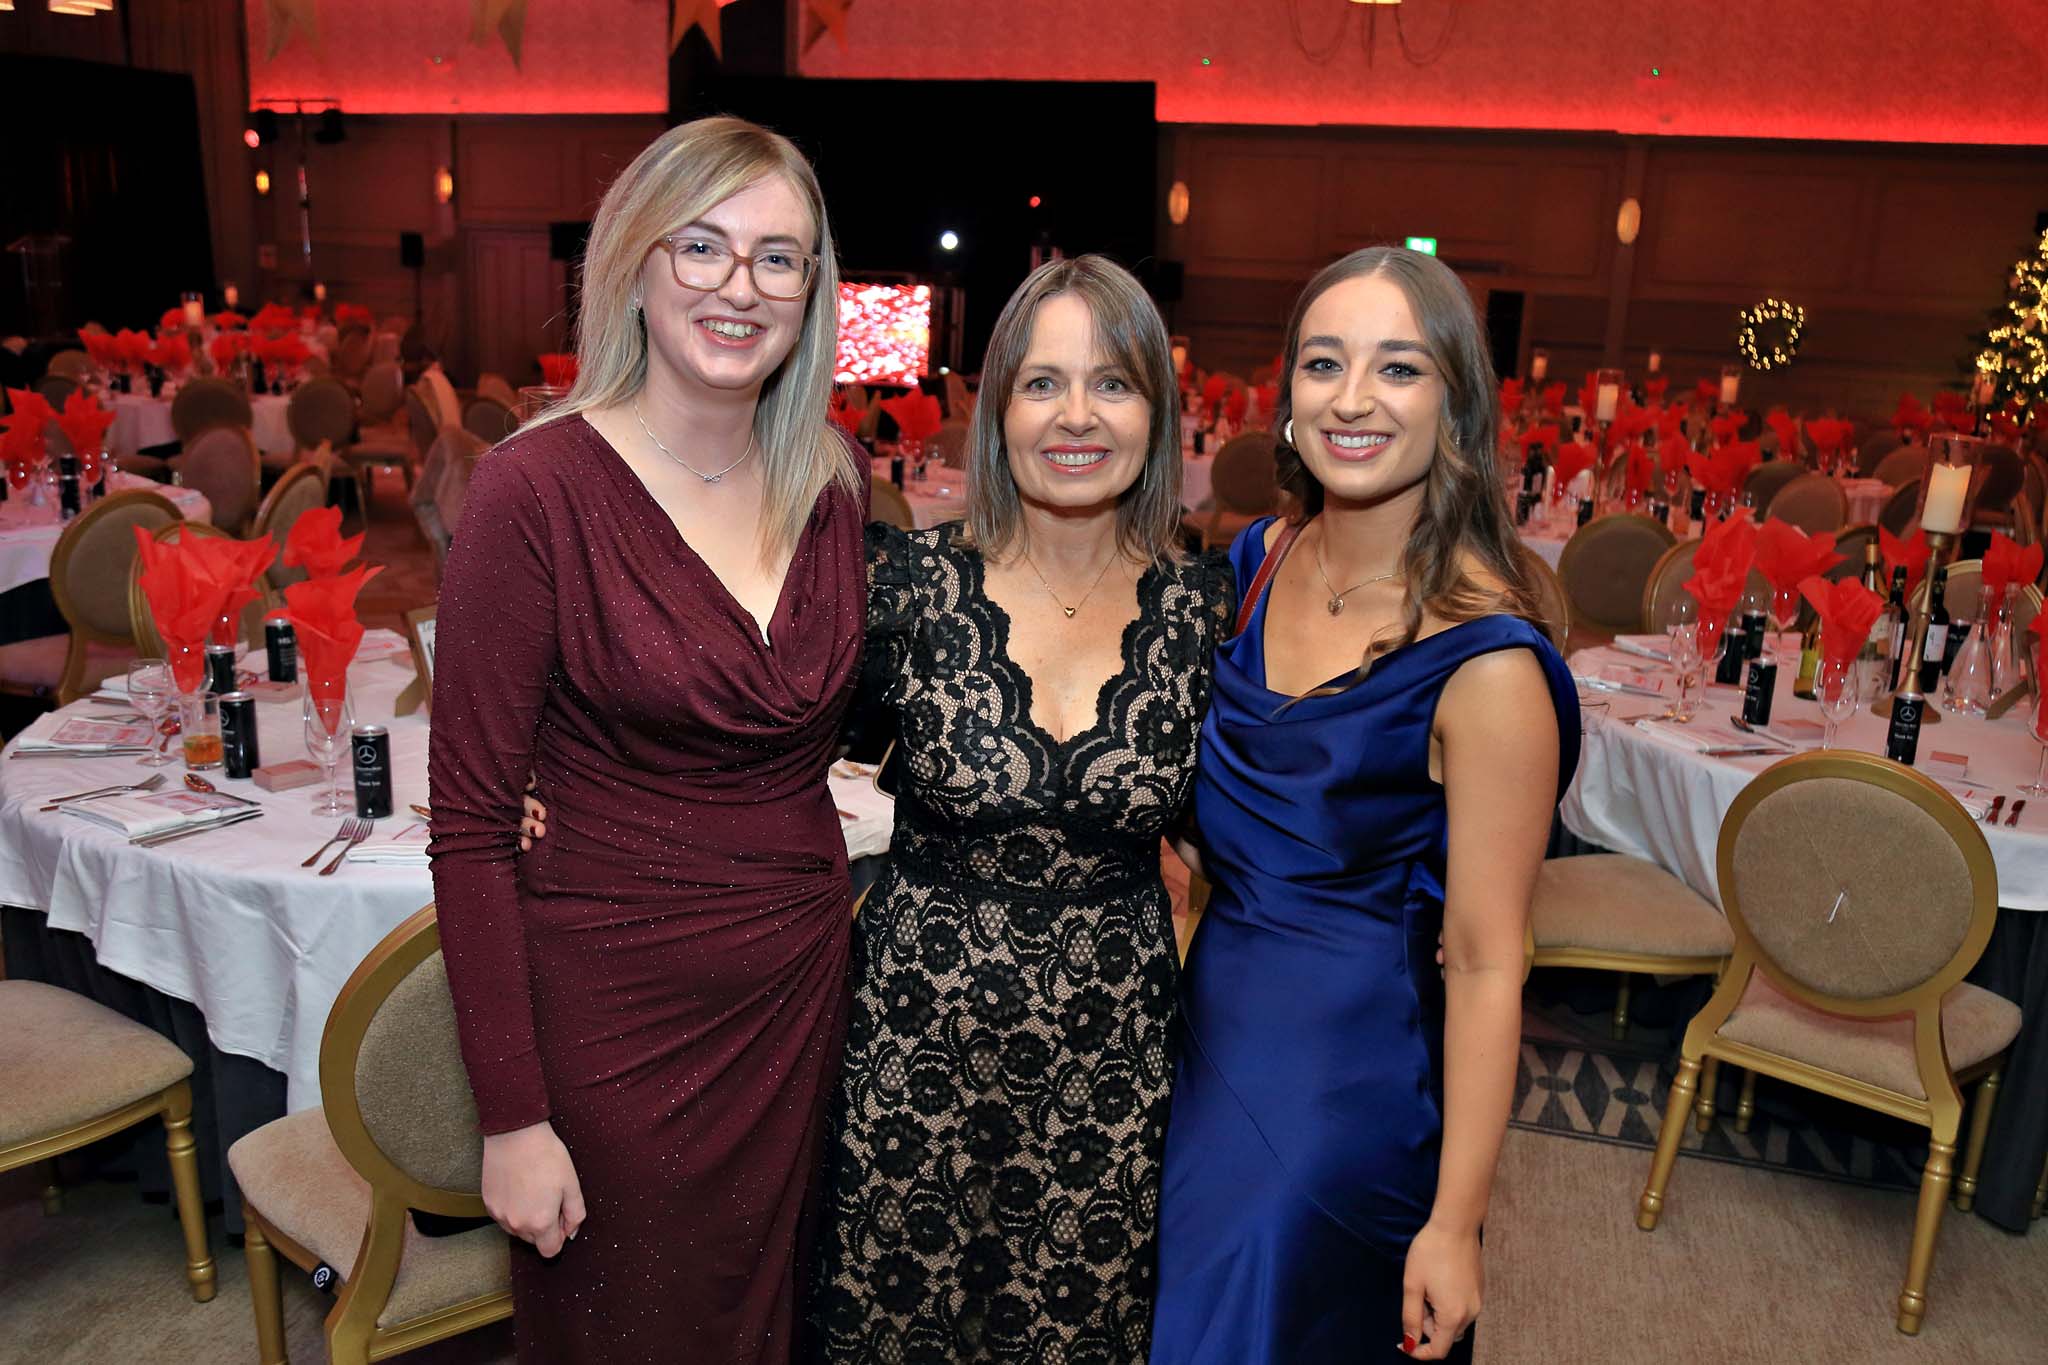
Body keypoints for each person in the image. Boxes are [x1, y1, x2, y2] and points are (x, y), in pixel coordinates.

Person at [524, 254, 1231, 1361]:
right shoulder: (903, 586)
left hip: (1109, 1068)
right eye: (1041, 383)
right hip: (914, 1051)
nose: (1075, 417)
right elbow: (741, 742)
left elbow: (1275, 815)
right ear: (994, 411)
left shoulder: (1208, 613)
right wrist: (563, 781)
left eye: (1113, 383)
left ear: (1159, 412)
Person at [427, 116, 865, 1363]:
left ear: (811, 291)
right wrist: (512, 1119)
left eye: (777, 258)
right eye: (702, 246)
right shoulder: (534, 492)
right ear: (632, 262)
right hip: (615, 1021)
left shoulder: (831, 482)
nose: (740, 287)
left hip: (796, 996)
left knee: (775, 1320)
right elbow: (468, 831)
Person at [1147, 246, 1579, 1364]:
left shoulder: (1488, 664)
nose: (1351, 399)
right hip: (1196, 1028)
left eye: (1397, 368)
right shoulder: (1256, 558)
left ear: (1456, 404)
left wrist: (1456, 1223)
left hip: (1343, 1088)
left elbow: (1484, 960)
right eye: (1322, 363)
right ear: (1287, 396)